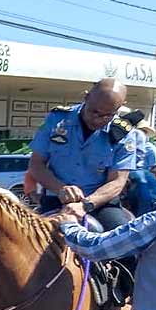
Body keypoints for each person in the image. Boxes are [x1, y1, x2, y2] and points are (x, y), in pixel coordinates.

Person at [28, 79, 136, 232]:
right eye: (94, 111)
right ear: (86, 97)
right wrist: (61, 189)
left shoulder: (123, 135)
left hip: (100, 204)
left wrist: (87, 204)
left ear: (120, 106)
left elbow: (118, 181)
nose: (98, 119)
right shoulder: (57, 120)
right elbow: (36, 165)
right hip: (57, 198)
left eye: (107, 115)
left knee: (127, 246)